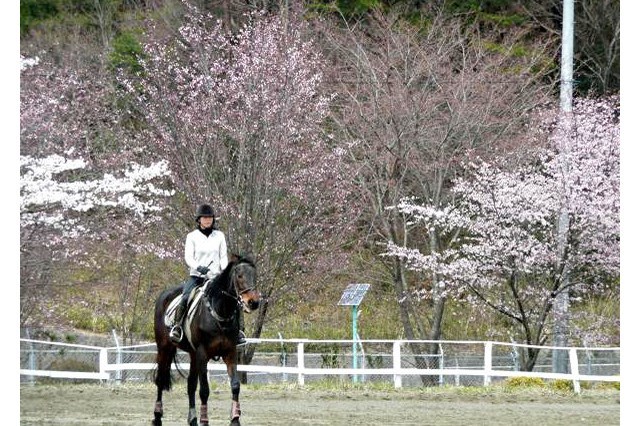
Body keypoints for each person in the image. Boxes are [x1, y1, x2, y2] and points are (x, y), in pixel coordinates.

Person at [169, 204, 246, 346]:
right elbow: (188, 257)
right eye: (204, 218)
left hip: (216, 278)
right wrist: (198, 267)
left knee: (234, 297)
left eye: (210, 217)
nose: (207, 220)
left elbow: (223, 257)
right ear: (199, 220)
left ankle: (239, 331)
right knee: (186, 296)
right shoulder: (192, 236)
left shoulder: (220, 236)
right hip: (197, 276)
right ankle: (178, 327)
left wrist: (224, 271)